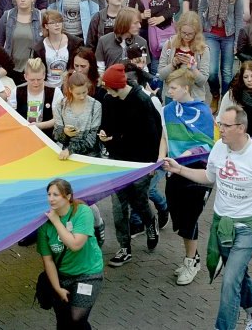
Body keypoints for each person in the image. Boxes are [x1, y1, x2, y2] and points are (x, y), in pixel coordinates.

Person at [160, 103, 252, 330]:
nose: (220, 128)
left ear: (241, 128)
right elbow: (208, 176)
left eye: (225, 125)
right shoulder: (218, 148)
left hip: (248, 226)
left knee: (230, 280)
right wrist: (179, 169)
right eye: (220, 123)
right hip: (222, 225)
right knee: (238, 274)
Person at [99, 63, 164, 267]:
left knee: (139, 201)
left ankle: (150, 221)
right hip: (118, 161)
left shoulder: (143, 101)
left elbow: (154, 136)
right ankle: (124, 248)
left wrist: (153, 166)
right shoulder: (110, 100)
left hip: (140, 162)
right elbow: (106, 125)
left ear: (117, 86)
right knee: (119, 207)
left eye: (109, 88)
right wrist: (103, 135)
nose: (107, 92)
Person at [161, 68, 215, 287]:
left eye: (173, 88)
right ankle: (191, 257)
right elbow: (165, 136)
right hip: (174, 170)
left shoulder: (203, 112)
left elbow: (207, 144)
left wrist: (185, 156)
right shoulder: (167, 110)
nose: (170, 91)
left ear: (186, 88)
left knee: (190, 217)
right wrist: (160, 159)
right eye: (169, 87)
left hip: (197, 171)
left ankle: (192, 261)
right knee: (180, 217)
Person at [36, 177, 104, 329]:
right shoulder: (44, 226)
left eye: (56, 195)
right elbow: (48, 261)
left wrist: (56, 222)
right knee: (63, 321)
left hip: (88, 275)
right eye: (49, 194)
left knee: (76, 319)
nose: (51, 199)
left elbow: (75, 245)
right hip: (62, 277)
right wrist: (57, 288)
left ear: (67, 196)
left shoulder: (83, 212)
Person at [199, 0, 245, 100]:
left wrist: (237, 42)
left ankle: (226, 99)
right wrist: (200, 33)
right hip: (210, 33)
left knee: (227, 72)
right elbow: (201, 9)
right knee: (211, 71)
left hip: (228, 35)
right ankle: (215, 94)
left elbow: (238, 18)